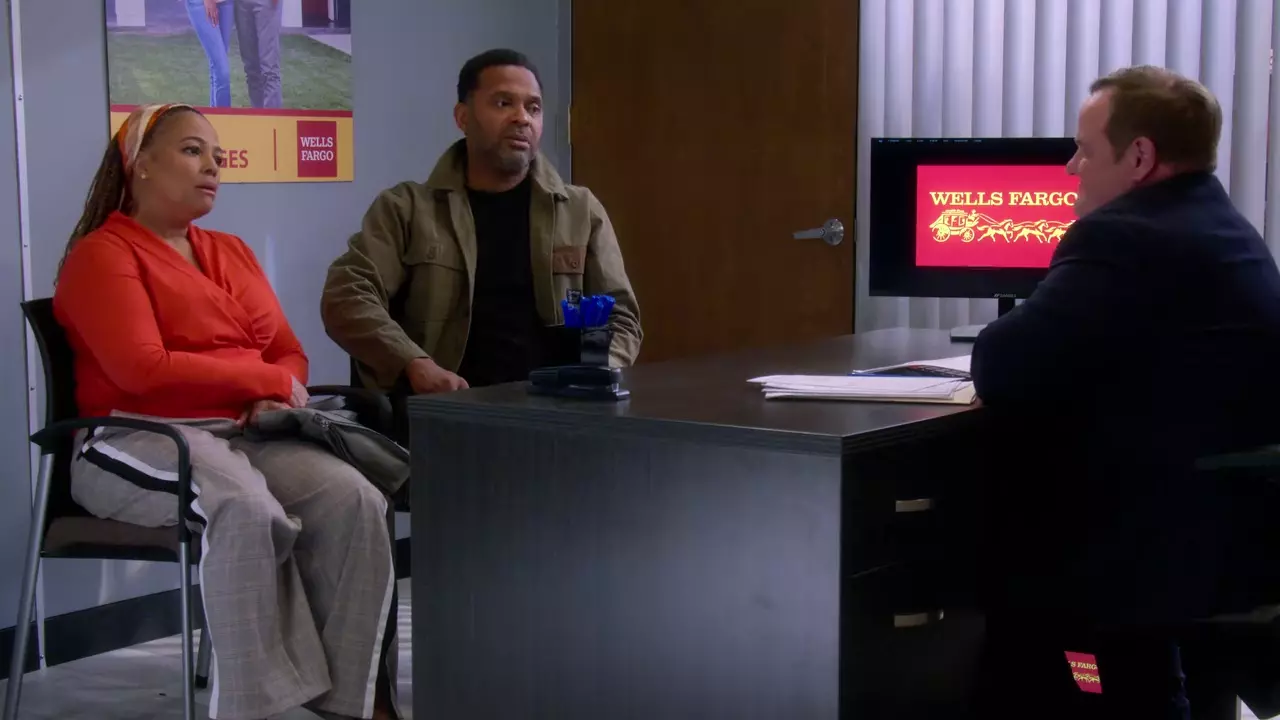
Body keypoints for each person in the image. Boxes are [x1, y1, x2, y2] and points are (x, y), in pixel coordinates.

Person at [53, 104, 398, 720]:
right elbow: (143, 370)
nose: (213, 166)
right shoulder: (101, 255)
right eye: (192, 151)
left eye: (217, 155)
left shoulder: (231, 251)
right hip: (134, 437)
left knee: (356, 499)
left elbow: (289, 353)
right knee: (243, 508)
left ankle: (355, 702)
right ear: (139, 164)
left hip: (246, 431)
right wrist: (264, 378)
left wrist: (273, 390)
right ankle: (253, 707)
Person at [969, 66, 1280, 719]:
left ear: (1139, 157)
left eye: (1085, 150)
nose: (1070, 168)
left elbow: (1002, 363)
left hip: (1140, 560)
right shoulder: (1223, 225)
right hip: (1225, 545)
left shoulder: (1125, 234)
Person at [320, 48, 642, 396]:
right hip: (444, 409)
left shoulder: (580, 211)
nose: (522, 118)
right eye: (504, 103)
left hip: (557, 411)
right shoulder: (406, 209)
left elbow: (621, 317)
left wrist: (598, 372)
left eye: (533, 108)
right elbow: (346, 296)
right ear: (463, 117)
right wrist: (414, 363)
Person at [233, 0, 282, 109]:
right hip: (241, 4)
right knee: (251, 69)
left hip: (266, 3)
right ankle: (258, 115)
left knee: (269, 69)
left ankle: (273, 118)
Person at [185, 0, 233, 107]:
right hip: (201, 3)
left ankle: (214, 114)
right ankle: (224, 116)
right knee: (222, 71)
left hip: (226, 3)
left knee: (217, 68)